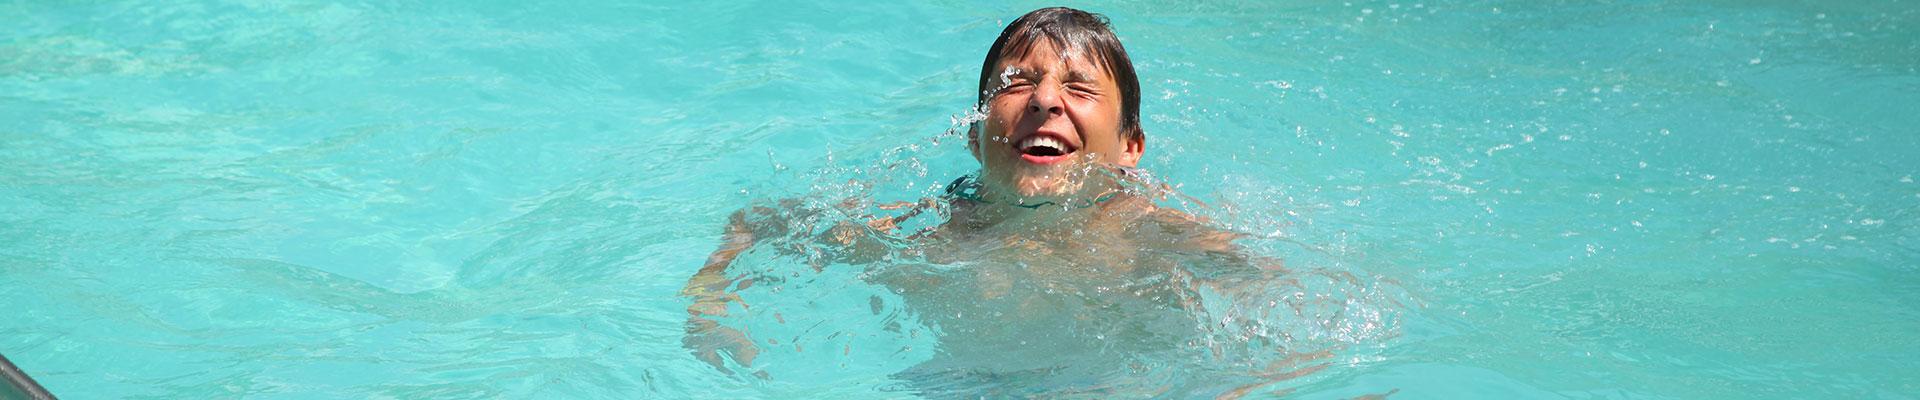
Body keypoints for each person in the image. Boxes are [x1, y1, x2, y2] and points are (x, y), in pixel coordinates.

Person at [679, 7, 1302, 395]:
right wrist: (711, 301)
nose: (1045, 100)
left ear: (1130, 145)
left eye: (1079, 88)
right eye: (1018, 83)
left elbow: (1297, 318)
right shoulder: (929, 235)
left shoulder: (1162, 230)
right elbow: (760, 222)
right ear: (977, 137)